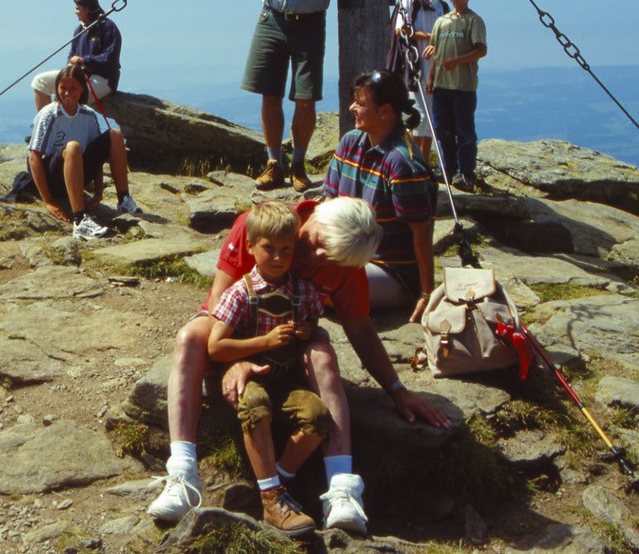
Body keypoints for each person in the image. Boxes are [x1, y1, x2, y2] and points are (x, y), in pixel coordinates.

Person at [147, 196, 450, 531]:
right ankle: (183, 476)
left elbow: (360, 326)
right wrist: (237, 359)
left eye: (330, 256)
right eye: (318, 242)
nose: (318, 257)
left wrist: (397, 390)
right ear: (317, 213)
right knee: (189, 338)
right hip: (234, 328)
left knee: (322, 354)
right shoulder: (263, 225)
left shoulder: (345, 259)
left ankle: (341, 490)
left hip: (289, 340)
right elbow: (220, 297)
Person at [207, 201, 330, 535]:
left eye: (286, 250)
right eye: (269, 249)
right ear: (250, 246)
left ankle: (278, 480)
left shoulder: (303, 291)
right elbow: (215, 347)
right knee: (256, 407)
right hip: (250, 375)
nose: (277, 258)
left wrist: (305, 329)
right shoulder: (240, 293)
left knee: (318, 417)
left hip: (288, 379)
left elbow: (313, 320)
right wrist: (264, 343)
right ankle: (273, 501)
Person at [230, 0, 339, 189]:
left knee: (305, 99)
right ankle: (273, 162)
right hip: (271, 20)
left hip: (309, 24)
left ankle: (299, 166)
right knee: (270, 94)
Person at [323, 70, 436, 321]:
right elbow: (327, 205)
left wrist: (426, 293)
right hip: (349, 254)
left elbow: (422, 231)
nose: (352, 107)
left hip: (390, 271)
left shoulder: (403, 163)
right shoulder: (350, 142)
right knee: (284, 264)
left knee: (319, 283)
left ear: (385, 112)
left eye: (360, 104)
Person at [27, 64, 140, 241]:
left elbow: (97, 157)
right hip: (52, 177)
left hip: (76, 173)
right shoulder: (49, 114)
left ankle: (123, 199)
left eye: (73, 88)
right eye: (63, 88)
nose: (67, 93)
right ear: (56, 89)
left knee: (115, 134)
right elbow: (34, 157)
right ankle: (79, 220)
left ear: (82, 90)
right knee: (73, 147)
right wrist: (48, 201)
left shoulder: (88, 115)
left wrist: (98, 191)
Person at [424, 0, 487, 193]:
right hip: (442, 86)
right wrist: (431, 77)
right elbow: (436, 53)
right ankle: (449, 170)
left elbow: (481, 50)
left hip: (463, 87)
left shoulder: (474, 21)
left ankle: (466, 174)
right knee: (443, 131)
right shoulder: (441, 21)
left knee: (465, 132)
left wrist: (456, 61)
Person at [388, 0, 450, 159]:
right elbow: (401, 30)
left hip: (434, 70)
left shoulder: (443, 7)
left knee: (430, 119)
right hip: (413, 67)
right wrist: (431, 37)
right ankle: (411, 163)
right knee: (417, 117)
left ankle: (422, 165)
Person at [31, 0, 122, 111]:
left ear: (87, 9)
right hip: (79, 75)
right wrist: (69, 67)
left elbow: (110, 59)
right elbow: (72, 55)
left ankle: (55, 124)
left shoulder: (108, 27)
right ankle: (43, 124)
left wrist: (84, 60)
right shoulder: (79, 30)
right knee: (40, 82)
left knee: (67, 100)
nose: (75, 12)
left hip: (103, 78)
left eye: (78, 8)